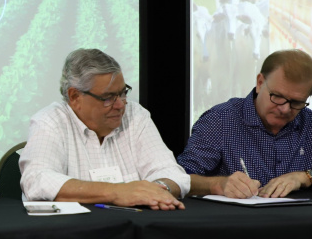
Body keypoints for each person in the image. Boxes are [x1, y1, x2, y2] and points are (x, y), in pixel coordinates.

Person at [178, 49, 312, 198]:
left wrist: (303, 178)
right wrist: (218, 184)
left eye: (296, 102)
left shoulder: (308, 122)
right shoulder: (220, 120)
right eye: (278, 97)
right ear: (260, 83)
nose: (285, 109)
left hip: (297, 228)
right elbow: (180, 179)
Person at [19, 48, 187, 210]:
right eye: (108, 98)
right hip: (72, 232)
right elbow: (37, 180)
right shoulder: (50, 121)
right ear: (75, 97)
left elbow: (171, 171)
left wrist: (154, 191)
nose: (120, 105)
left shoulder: (135, 115)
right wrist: (117, 192)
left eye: (123, 93)